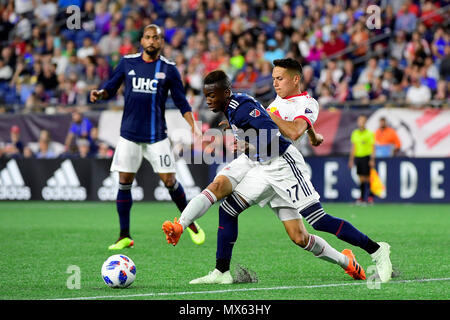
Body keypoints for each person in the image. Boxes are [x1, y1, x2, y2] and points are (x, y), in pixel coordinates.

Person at [163, 70, 367, 284]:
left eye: (212, 95)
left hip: (276, 166)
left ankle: (349, 259)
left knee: (302, 232)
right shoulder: (235, 108)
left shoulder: (245, 106)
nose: (208, 100)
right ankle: (214, 264)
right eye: (206, 96)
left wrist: (248, 144)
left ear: (226, 92)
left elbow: (271, 133)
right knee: (227, 198)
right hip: (257, 162)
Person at [90, 24, 205, 250]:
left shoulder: (169, 69)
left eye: (156, 38)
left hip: (156, 137)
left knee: (169, 181)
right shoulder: (127, 63)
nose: (152, 41)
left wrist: (194, 125)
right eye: (148, 37)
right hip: (129, 136)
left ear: (162, 42)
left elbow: (182, 102)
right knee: (124, 182)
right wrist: (101, 93)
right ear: (141, 40)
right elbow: (111, 88)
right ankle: (124, 235)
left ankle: (190, 224)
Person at [349, 114, 376, 204]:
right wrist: (351, 159)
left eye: (363, 121)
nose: (361, 122)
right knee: (360, 178)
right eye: (360, 121)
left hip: (366, 157)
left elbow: (372, 147)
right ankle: (362, 197)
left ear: (365, 122)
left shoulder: (369, 133)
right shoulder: (355, 133)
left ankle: (370, 196)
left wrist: (372, 159)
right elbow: (353, 147)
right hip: (358, 157)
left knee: (367, 178)